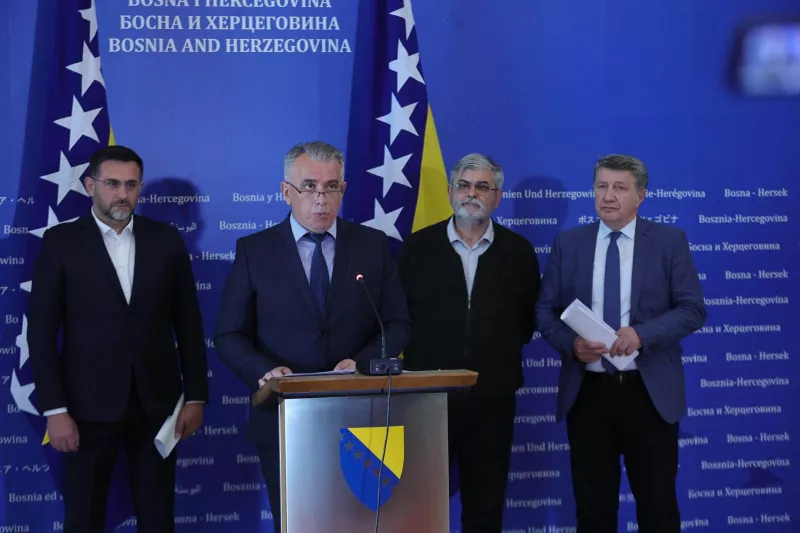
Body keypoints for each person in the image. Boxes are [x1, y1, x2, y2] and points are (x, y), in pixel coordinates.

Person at [214, 141, 410, 532]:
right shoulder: (254, 251)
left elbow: (398, 323)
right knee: (296, 523)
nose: (321, 198)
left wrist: (363, 363)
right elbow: (229, 334)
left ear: (343, 189)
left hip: (362, 416)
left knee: (359, 524)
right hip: (284, 415)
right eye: (309, 187)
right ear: (286, 192)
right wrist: (265, 372)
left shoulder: (372, 246)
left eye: (331, 187)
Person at [27, 145, 208, 533]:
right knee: (84, 518)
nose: (122, 194)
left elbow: (189, 325)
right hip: (85, 409)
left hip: (157, 407)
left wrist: (196, 396)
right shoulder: (61, 242)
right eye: (112, 184)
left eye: (131, 184)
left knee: (158, 519)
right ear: (90, 185)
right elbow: (40, 332)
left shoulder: (166, 240)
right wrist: (55, 409)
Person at [535, 154, 707, 533]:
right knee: (593, 511)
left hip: (648, 393)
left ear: (641, 195)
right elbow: (545, 311)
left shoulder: (668, 241)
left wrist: (642, 334)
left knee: (658, 508)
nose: (608, 196)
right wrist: (572, 345)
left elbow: (693, 309)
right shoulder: (569, 243)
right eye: (601, 186)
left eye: (619, 188)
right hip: (588, 394)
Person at [396, 153, 540, 533]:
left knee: (485, 506)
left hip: (493, 400)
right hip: (428, 399)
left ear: (497, 197)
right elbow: (399, 318)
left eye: (482, 187)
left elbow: (526, 323)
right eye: (463, 185)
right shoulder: (417, 248)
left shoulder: (519, 252)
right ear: (450, 191)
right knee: (422, 505)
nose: (471, 193)